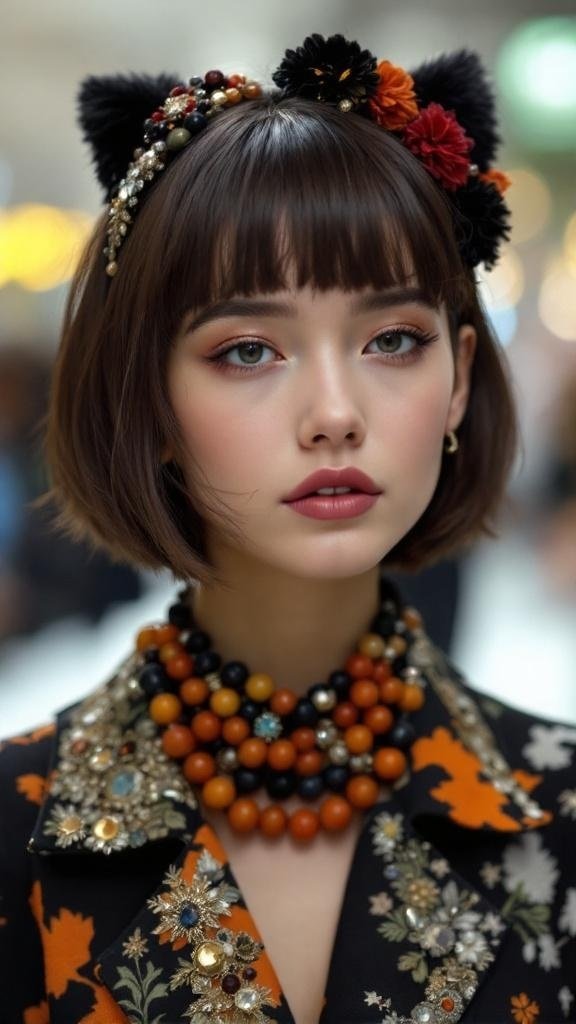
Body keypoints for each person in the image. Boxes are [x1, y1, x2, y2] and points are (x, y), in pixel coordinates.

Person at [0, 31, 574, 1024]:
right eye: (249, 349)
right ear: (149, 400)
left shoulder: (560, 817)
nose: (335, 410)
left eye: (394, 339)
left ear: (460, 382)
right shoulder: (18, 825)